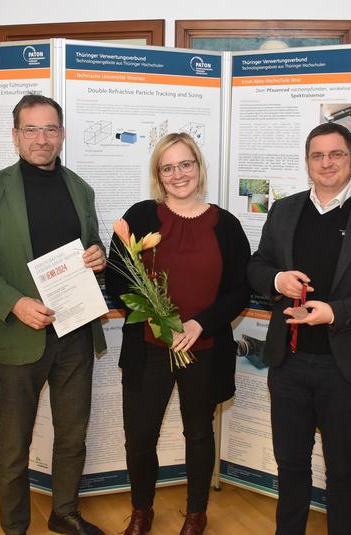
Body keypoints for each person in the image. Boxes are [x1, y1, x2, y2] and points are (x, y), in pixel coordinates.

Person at [247, 122, 351, 534]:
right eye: (317, 155)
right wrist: (276, 281)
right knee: (291, 464)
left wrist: (335, 312)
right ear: (307, 163)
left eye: (336, 154)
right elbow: (257, 265)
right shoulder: (284, 211)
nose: (327, 163)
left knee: (341, 470)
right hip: (288, 364)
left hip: (345, 369)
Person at [0, 94, 107, 535]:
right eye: (32, 129)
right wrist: (16, 303)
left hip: (75, 334)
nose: (42, 139)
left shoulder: (80, 189)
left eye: (50, 129)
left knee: (72, 436)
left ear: (62, 134)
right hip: (18, 336)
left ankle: (64, 512)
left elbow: (90, 247)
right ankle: (15, 527)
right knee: (14, 445)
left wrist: (97, 257)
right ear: (16, 135)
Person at [105, 132, 250, 535]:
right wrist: (155, 317)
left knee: (199, 434)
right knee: (139, 436)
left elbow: (240, 289)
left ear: (198, 167)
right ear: (158, 175)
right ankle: (141, 511)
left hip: (203, 349)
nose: (178, 174)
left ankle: (196, 513)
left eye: (185, 164)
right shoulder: (139, 217)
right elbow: (118, 278)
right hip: (149, 349)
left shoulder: (228, 224)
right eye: (168, 167)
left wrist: (200, 322)